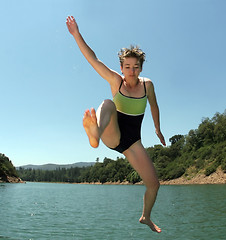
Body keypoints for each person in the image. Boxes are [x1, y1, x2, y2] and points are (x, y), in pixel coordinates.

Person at [66, 16, 166, 233]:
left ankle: (145, 217)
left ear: (141, 68)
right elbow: (94, 60)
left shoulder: (147, 85)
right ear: (121, 67)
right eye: (127, 67)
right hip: (113, 132)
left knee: (154, 184)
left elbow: (154, 106)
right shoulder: (116, 81)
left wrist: (157, 129)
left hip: (134, 142)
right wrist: (76, 34)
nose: (131, 71)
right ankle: (95, 134)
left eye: (135, 67)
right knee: (108, 103)